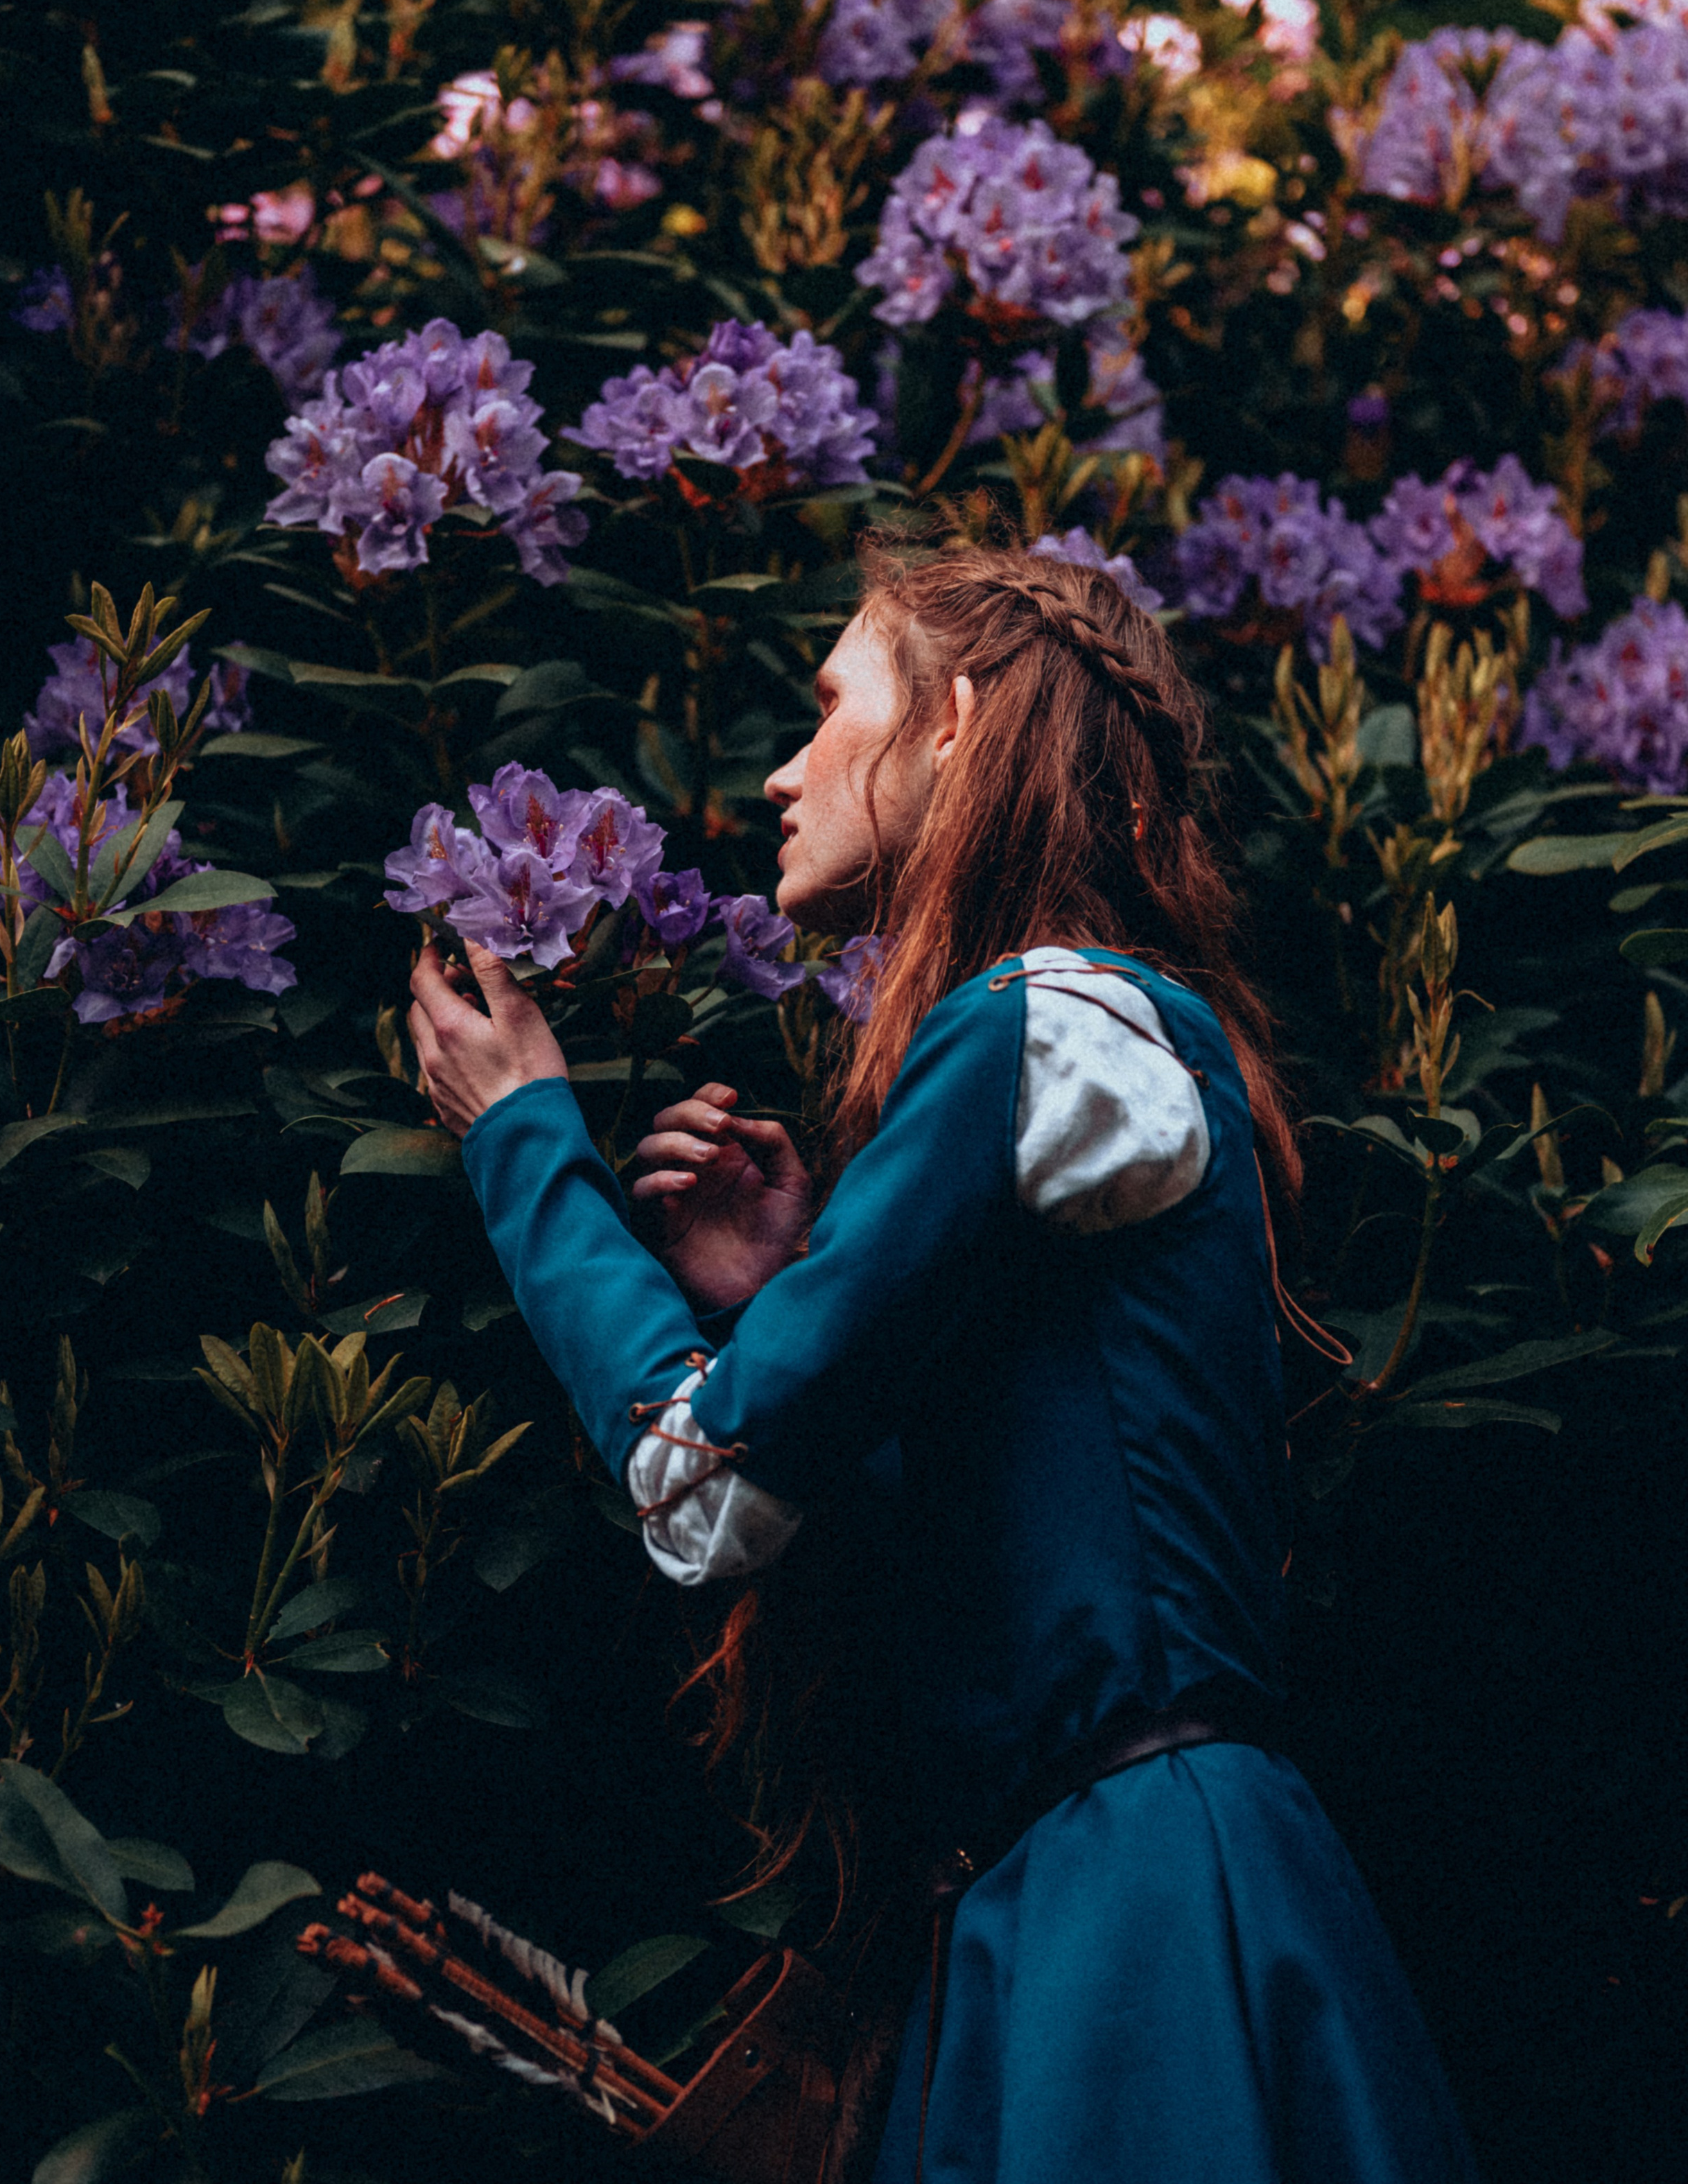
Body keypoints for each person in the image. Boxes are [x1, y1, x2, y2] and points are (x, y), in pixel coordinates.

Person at [407, 541, 1481, 2184]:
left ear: (959, 724)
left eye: (833, 705)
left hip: (1125, 1913)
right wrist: (781, 1292)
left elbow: (695, 1494)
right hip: (1094, 1893)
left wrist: (521, 1142)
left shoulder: (1029, 1017)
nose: (782, 766)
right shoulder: (1094, 1030)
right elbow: (1021, 1539)